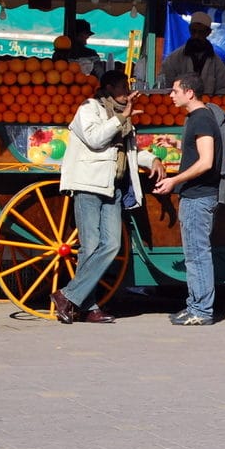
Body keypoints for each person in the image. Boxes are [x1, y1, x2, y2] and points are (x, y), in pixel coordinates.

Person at [50, 70, 166, 324]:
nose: (127, 91)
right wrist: (121, 118)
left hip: (113, 186)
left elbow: (130, 150)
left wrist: (152, 159)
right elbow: (94, 138)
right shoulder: (90, 108)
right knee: (90, 247)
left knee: (112, 244)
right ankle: (88, 306)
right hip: (89, 183)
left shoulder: (123, 115)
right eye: (122, 87)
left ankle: (68, 295)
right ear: (109, 88)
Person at [153, 72, 222, 326]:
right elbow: (198, 154)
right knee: (193, 253)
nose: (171, 95)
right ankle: (195, 305)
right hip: (195, 195)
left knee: (197, 254)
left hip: (198, 196)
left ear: (189, 92)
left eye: (175, 91)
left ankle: (202, 310)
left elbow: (206, 161)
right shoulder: (198, 117)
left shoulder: (202, 118)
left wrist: (174, 180)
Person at [160, 11, 225, 96]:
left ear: (208, 33)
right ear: (189, 30)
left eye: (201, 32)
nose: (196, 36)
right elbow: (164, 85)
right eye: (194, 31)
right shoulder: (174, 59)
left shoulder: (216, 63)